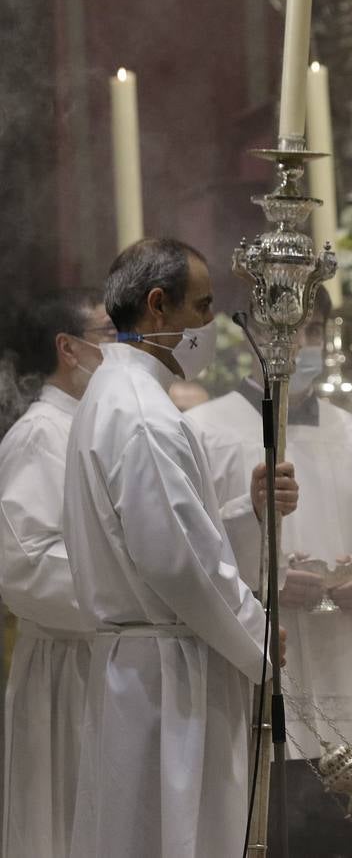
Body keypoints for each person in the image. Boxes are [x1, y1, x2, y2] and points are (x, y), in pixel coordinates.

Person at [62, 238, 294, 858]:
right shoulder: (142, 413)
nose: (212, 325)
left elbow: (166, 536)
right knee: (177, 837)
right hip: (168, 679)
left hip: (139, 667)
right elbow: (178, 563)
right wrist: (262, 641)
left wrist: (245, 518)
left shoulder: (112, 398)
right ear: (158, 308)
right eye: (204, 306)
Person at [188, 286, 352, 856]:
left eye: (312, 329)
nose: (298, 343)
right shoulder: (202, 431)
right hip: (248, 677)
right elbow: (182, 552)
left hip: (340, 667)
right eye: (282, 327)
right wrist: (259, 580)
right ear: (247, 332)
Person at [0, 290, 113, 858]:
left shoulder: (91, 425)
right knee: (68, 829)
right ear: (68, 348)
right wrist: (133, 588)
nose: (121, 350)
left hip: (107, 660)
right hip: (68, 671)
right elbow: (24, 565)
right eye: (109, 336)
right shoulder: (41, 434)